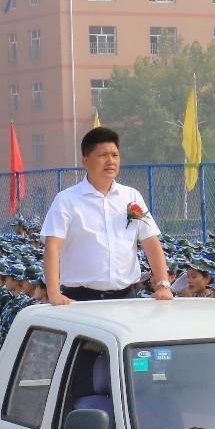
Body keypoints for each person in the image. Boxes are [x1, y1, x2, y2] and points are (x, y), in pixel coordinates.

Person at [41, 126, 175, 304]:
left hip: (126, 298)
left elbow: (150, 241)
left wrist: (163, 285)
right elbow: (52, 247)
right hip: (81, 299)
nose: (111, 161)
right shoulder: (67, 200)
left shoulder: (131, 197)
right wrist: (54, 293)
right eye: (103, 155)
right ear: (85, 161)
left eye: (115, 155)